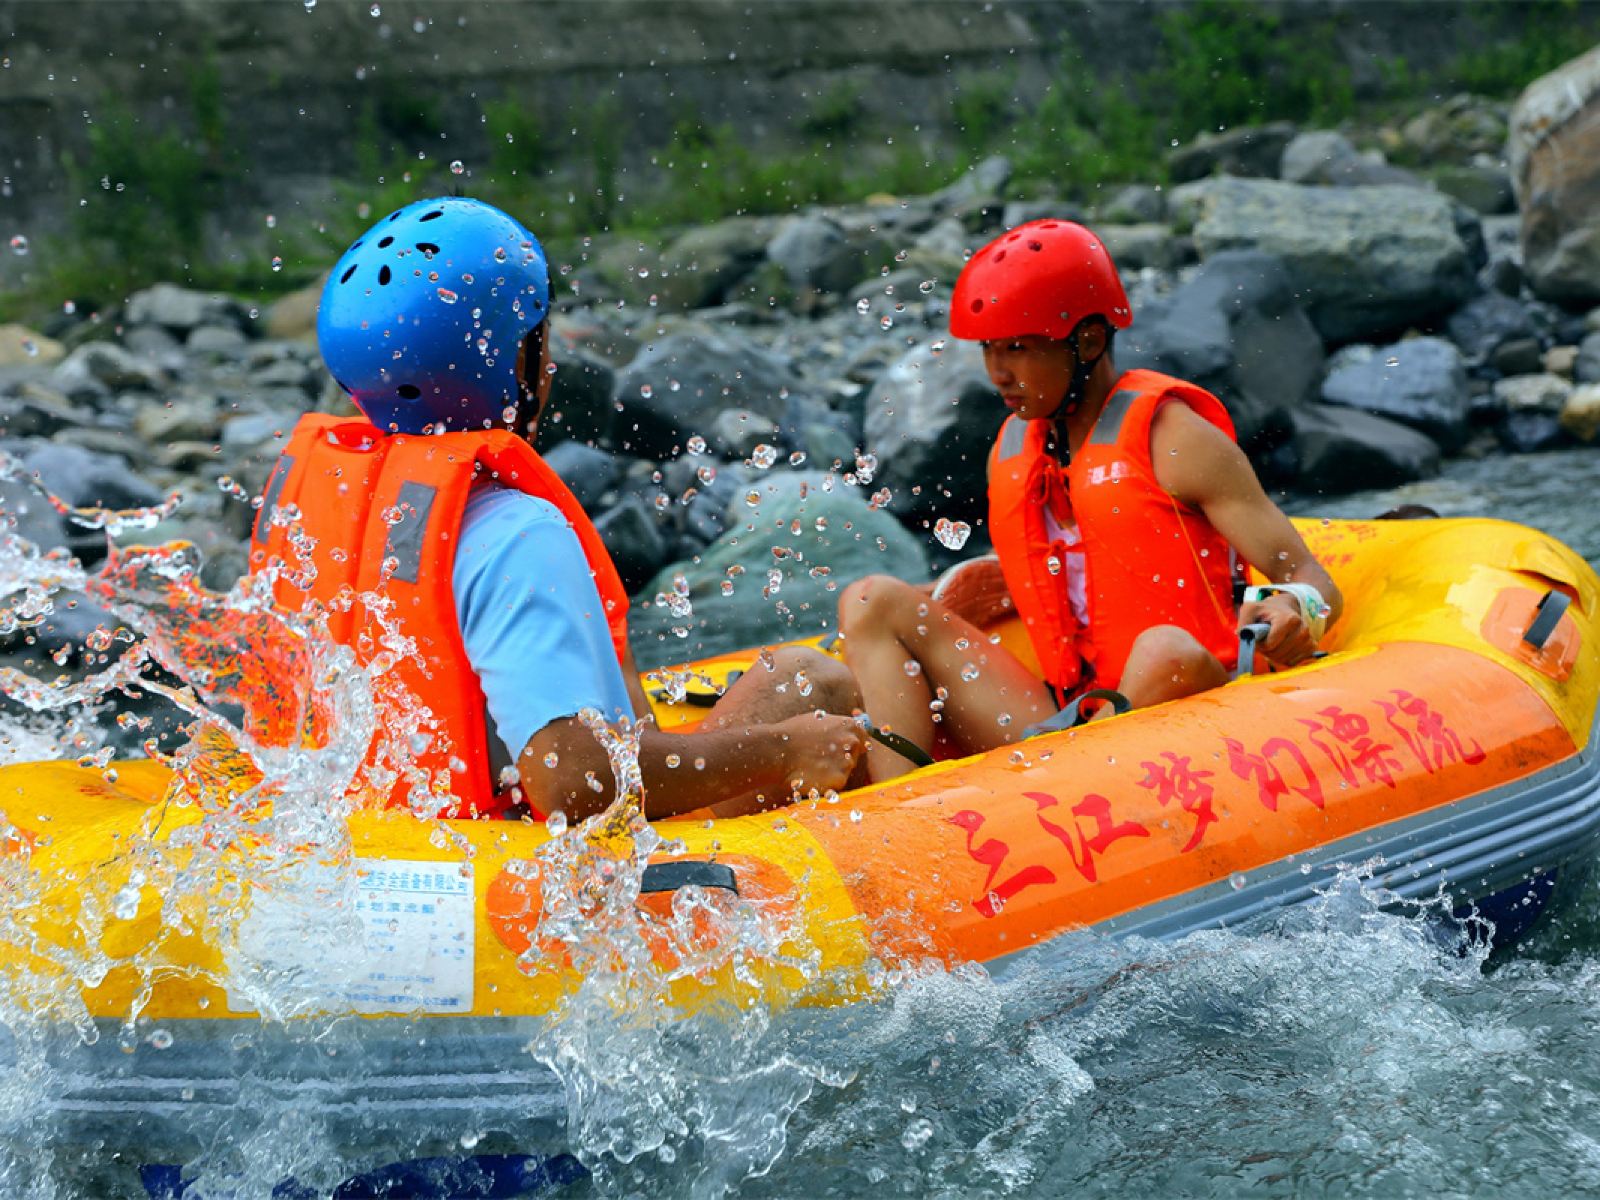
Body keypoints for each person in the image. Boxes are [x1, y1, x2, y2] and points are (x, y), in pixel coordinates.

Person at [251, 197, 865, 821]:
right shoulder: (514, 532)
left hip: (387, 836)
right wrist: (787, 749)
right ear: (515, 365)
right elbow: (571, 781)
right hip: (539, 867)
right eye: (536, 341)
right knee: (813, 680)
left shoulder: (321, 514)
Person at [839, 219, 1342, 782]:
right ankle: (895, 810)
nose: (997, 373)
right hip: (1066, 716)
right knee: (871, 599)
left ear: (1089, 340)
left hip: (1192, 700)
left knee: (1161, 649)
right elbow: (1070, 568)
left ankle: (1080, 781)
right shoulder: (1012, 447)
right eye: (989, 349)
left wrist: (1296, 606)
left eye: (1018, 349)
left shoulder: (1175, 438)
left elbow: (1306, 573)